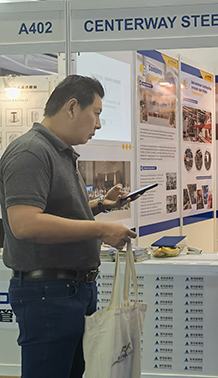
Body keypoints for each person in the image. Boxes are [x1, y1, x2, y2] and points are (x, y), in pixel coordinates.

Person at [0, 74, 138, 378]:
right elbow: (25, 223)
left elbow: (56, 211)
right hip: (49, 293)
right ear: (72, 107)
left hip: (72, 290)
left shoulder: (58, 152)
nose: (98, 124)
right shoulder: (30, 152)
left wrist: (101, 206)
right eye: (96, 113)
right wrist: (101, 230)